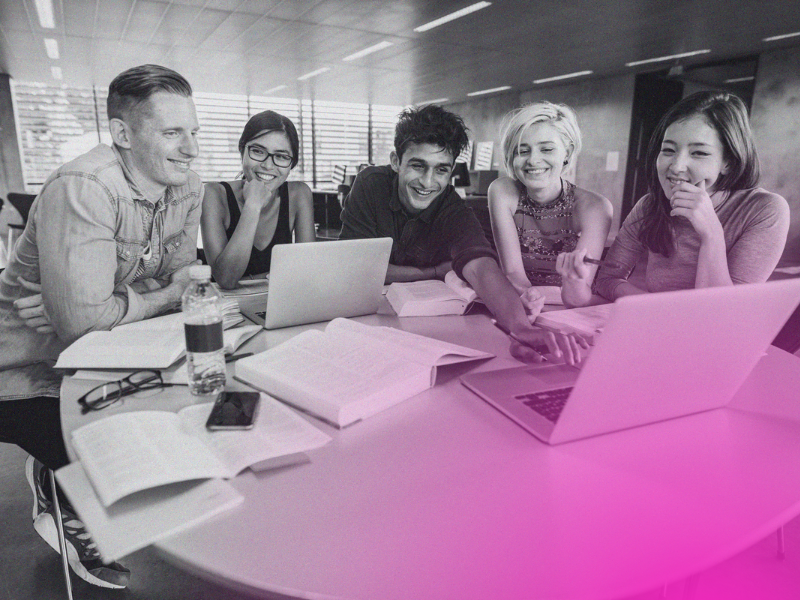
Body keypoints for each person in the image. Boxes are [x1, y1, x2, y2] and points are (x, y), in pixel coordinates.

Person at [0, 64, 205, 589]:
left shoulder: (186, 186)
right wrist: (95, 308)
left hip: (102, 357)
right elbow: (98, 316)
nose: (191, 149)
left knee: (189, 422)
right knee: (123, 457)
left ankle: (62, 466)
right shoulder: (85, 185)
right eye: (172, 133)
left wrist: (103, 303)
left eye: (194, 132)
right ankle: (61, 480)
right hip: (23, 369)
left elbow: (185, 281)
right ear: (122, 135)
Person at [339, 104, 588, 364]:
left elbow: (481, 268)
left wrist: (521, 329)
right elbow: (358, 268)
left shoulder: (452, 208)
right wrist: (434, 271)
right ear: (395, 161)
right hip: (364, 318)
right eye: (417, 165)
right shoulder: (370, 184)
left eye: (441, 170)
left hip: (418, 324)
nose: (427, 182)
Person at [594, 91, 789, 300]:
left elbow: (722, 310)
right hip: (659, 325)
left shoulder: (764, 209)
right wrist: (656, 308)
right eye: (668, 150)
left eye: (699, 153)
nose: (676, 166)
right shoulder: (649, 205)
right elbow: (607, 280)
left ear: (728, 162)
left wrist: (711, 233)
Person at [489, 102, 613, 308]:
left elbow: (577, 299)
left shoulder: (595, 207)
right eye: (522, 151)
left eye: (546, 149)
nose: (533, 160)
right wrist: (531, 302)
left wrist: (573, 281)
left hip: (571, 309)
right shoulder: (502, 191)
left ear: (567, 152)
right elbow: (513, 275)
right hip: (523, 302)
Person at [201, 110, 315, 289]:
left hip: (281, 301)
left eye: (281, 156)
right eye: (258, 151)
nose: (268, 165)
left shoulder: (298, 194)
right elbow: (226, 279)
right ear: (242, 150)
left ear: (292, 163)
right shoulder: (213, 194)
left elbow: (308, 272)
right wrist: (252, 205)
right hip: (230, 309)